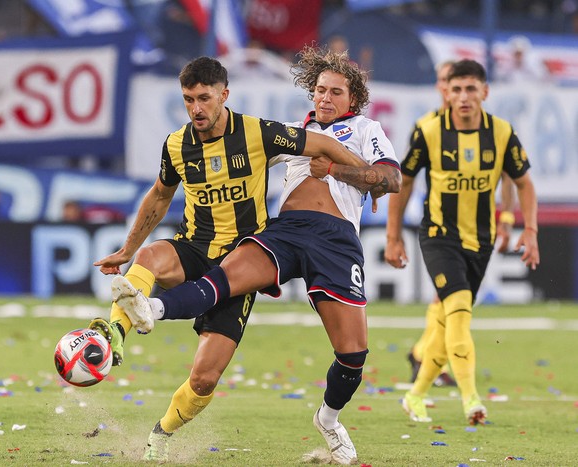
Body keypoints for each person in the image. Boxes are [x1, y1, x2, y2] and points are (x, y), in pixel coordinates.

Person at [111, 46, 401, 464]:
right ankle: (150, 308)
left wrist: (341, 172)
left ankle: (329, 419)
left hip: (336, 241)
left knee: (353, 355)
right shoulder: (290, 133)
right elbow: (236, 149)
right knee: (222, 281)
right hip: (287, 230)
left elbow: (389, 178)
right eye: (319, 90)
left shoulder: (365, 129)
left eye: (336, 92)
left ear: (352, 99)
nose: (325, 99)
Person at [384, 59, 540, 425]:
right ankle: (471, 399)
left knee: (444, 321)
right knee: (457, 311)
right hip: (439, 235)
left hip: (480, 240)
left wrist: (527, 229)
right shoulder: (428, 131)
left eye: (471, 88)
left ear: (485, 92)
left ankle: (416, 393)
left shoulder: (501, 132)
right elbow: (403, 182)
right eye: (456, 89)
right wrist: (393, 236)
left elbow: (523, 182)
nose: (463, 96)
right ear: (446, 93)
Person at [404, 61, 517, 388]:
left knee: (448, 299)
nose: (452, 90)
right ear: (442, 87)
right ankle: (435, 365)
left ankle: (423, 353)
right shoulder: (427, 127)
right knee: (451, 297)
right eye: (445, 82)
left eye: (468, 87)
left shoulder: (490, 130)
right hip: (439, 225)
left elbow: (511, 176)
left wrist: (506, 217)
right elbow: (410, 176)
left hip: (477, 230)